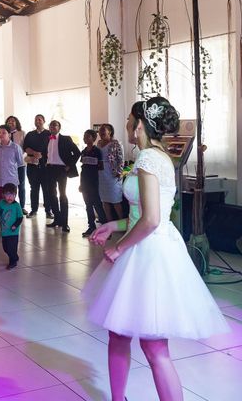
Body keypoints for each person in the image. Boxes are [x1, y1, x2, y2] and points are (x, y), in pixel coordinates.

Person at [83, 96, 228, 401]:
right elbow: (145, 214)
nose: (126, 126)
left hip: (147, 254)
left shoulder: (149, 159)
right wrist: (114, 225)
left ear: (140, 125)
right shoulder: (162, 157)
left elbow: (150, 220)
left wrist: (119, 248)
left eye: (129, 120)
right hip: (154, 247)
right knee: (125, 336)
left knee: (151, 345)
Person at [45, 120, 80, 233]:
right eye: (51, 125)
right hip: (50, 169)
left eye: (55, 125)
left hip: (61, 169)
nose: (52, 127)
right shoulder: (47, 139)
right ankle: (57, 219)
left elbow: (77, 152)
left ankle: (65, 223)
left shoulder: (66, 139)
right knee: (51, 195)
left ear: (59, 128)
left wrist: (69, 165)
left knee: (63, 195)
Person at [23, 114, 52, 218]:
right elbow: (25, 148)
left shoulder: (49, 134)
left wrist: (43, 155)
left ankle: (48, 210)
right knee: (33, 188)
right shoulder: (30, 134)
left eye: (39, 120)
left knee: (46, 189)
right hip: (32, 166)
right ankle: (33, 210)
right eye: (36, 120)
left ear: (44, 121)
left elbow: (52, 149)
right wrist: (34, 152)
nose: (37, 121)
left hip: (46, 166)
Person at [79, 129, 107, 237]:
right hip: (85, 181)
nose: (85, 138)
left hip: (94, 182)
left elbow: (100, 167)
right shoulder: (83, 151)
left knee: (97, 205)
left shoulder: (97, 151)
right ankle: (91, 226)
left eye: (88, 136)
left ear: (93, 138)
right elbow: (83, 168)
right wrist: (81, 183)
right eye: (84, 136)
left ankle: (105, 228)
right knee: (88, 205)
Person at [98, 123, 126, 222]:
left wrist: (119, 172)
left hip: (113, 174)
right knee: (104, 200)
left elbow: (121, 159)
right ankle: (109, 223)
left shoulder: (115, 143)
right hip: (101, 174)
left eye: (103, 130)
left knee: (115, 200)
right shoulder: (99, 143)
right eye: (100, 130)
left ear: (109, 131)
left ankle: (122, 223)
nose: (100, 132)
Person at [0, 183, 23, 270]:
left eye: (12, 195)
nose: (10, 197)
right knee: (5, 248)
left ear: (15, 195)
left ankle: (13, 261)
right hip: (4, 231)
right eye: (7, 195)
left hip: (14, 232)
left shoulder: (16, 206)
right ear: (3, 195)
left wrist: (15, 225)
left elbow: (20, 218)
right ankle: (15, 257)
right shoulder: (1, 203)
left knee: (11, 248)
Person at [6, 116, 27, 215]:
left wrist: (21, 157)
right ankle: (10, 206)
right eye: (9, 121)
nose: (11, 122)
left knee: (21, 186)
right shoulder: (5, 134)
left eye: (13, 121)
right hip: (8, 165)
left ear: (16, 122)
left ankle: (22, 207)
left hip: (20, 164)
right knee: (10, 186)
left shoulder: (22, 133)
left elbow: (25, 148)